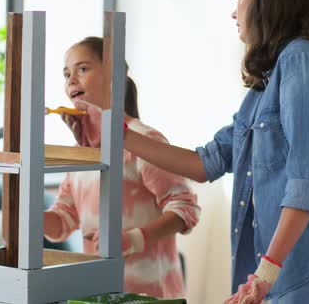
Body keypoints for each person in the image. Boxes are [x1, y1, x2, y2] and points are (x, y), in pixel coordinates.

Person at [75, 0, 309, 302]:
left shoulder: (300, 61)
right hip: (292, 271)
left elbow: (307, 186)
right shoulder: (267, 86)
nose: (234, 11)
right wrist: (117, 133)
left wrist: (263, 275)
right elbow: (206, 163)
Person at [42, 36, 201, 299]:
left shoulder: (145, 141)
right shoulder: (81, 153)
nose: (71, 80)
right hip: (97, 293)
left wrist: (135, 239)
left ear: (114, 75)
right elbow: (63, 220)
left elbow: (185, 208)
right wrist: (23, 215)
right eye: (66, 73)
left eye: (82, 69)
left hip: (151, 295)